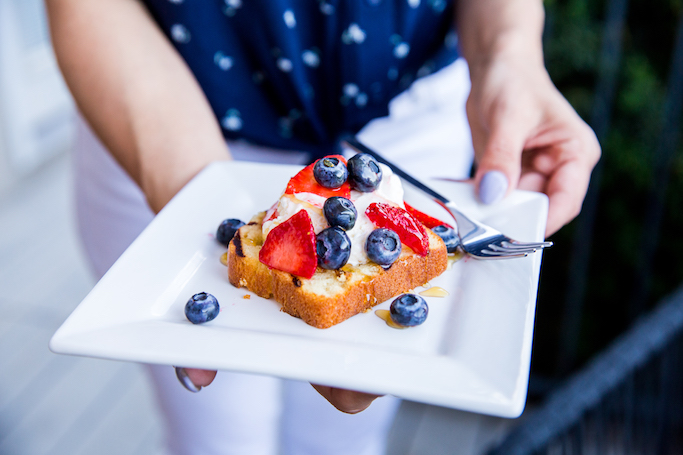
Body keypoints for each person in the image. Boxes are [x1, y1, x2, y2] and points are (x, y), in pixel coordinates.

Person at [46, 0, 600, 454]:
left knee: (345, 439)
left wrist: (510, 52)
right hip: (158, 117)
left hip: (407, 129)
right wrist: (198, 192)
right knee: (216, 438)